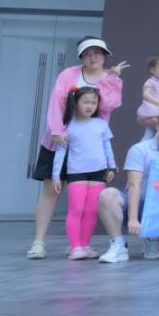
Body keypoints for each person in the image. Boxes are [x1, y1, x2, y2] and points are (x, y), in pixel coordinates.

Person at [30, 36, 126, 259]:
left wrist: (111, 80)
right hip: (60, 141)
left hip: (89, 148)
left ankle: (79, 244)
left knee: (88, 200)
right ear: (81, 56)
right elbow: (56, 103)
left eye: (98, 53)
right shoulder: (68, 75)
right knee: (51, 191)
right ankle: (38, 242)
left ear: (105, 55)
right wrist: (57, 131)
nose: (93, 58)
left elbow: (110, 105)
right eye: (88, 54)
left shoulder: (111, 78)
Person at [97, 106, 159, 263]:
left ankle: (153, 238)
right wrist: (133, 219)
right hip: (138, 203)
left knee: (158, 250)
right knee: (107, 195)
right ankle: (118, 245)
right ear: (158, 125)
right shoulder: (139, 149)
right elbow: (134, 185)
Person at [52, 86, 115, 260]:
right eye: (86, 102)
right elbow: (60, 152)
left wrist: (112, 167)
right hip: (76, 172)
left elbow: (107, 148)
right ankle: (75, 247)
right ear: (76, 103)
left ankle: (85, 245)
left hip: (98, 172)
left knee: (92, 211)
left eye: (93, 103)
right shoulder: (68, 126)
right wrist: (56, 176)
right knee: (76, 209)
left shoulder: (101, 124)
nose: (90, 106)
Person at [135, 55, 159, 122]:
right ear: (152, 70)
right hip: (155, 104)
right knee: (155, 120)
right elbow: (146, 95)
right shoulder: (150, 82)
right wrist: (157, 102)